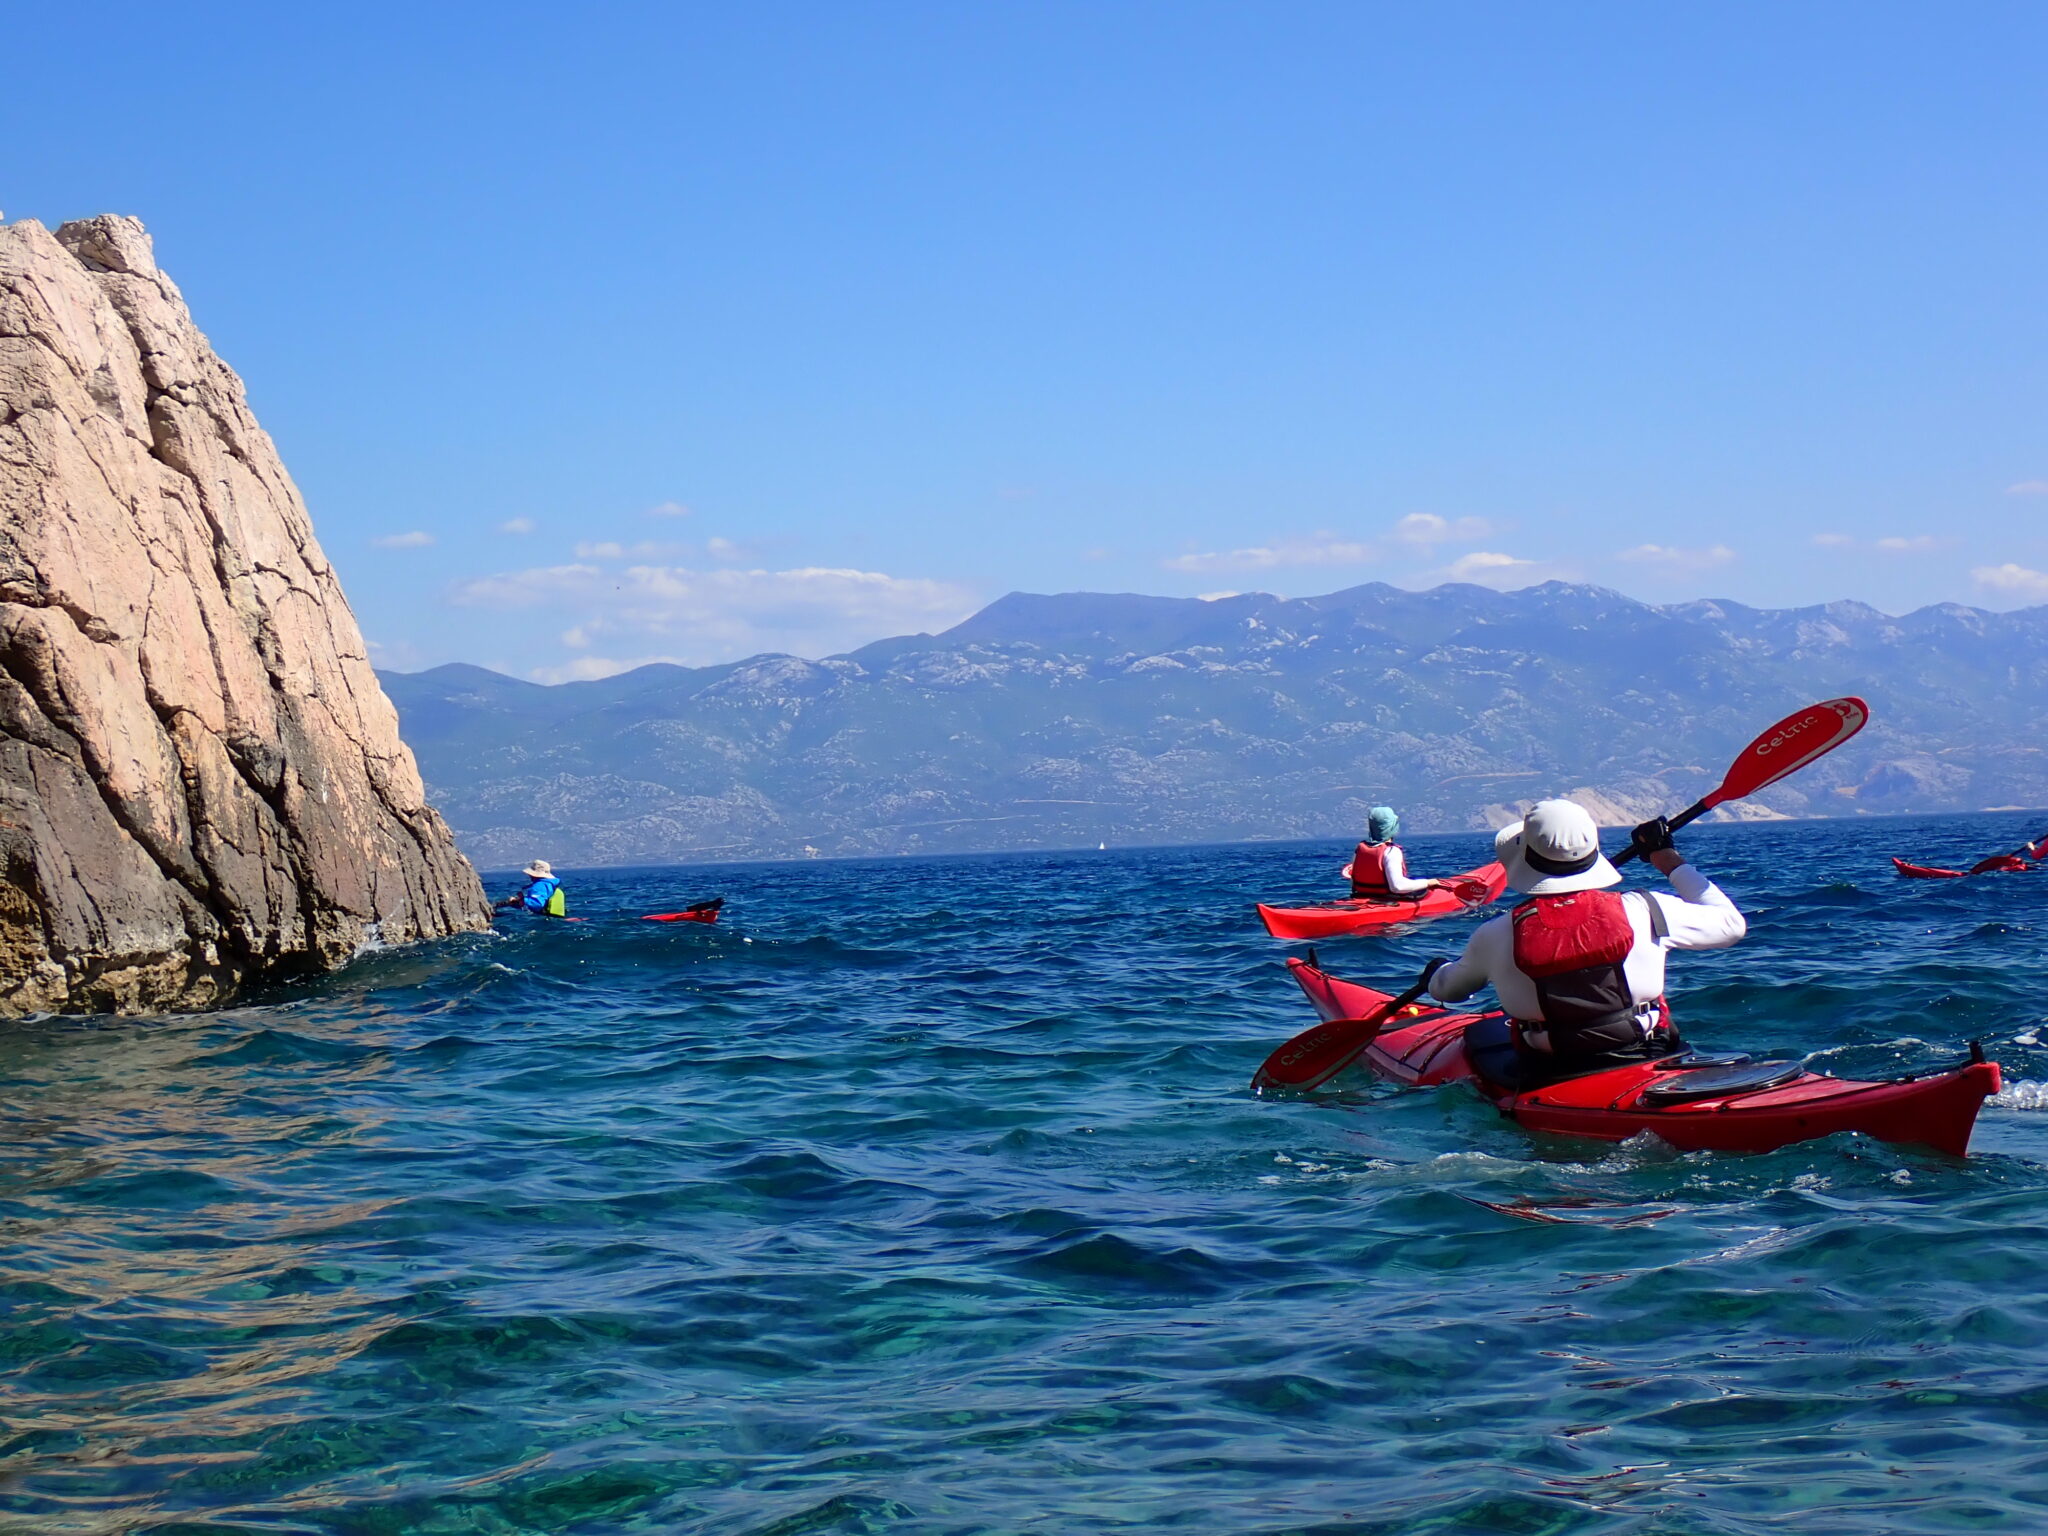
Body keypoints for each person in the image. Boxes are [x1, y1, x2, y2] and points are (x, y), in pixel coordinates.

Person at [1424, 800, 1745, 1088]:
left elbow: (1448, 991)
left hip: (1551, 1070)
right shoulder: (1645, 908)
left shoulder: (1495, 934)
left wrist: (1436, 973)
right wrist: (1666, 858)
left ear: (1526, 859)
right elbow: (1732, 926)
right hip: (1650, 1053)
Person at [1342, 806, 1443, 899]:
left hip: (1361, 895)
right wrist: (1428, 882)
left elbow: (1353, 881)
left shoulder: (1360, 849)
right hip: (1387, 898)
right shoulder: (1391, 851)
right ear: (1392, 826)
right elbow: (1397, 887)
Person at [495, 859, 567, 917]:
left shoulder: (540, 885)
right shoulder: (550, 884)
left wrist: (521, 900)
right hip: (555, 918)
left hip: (545, 920)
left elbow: (537, 904)